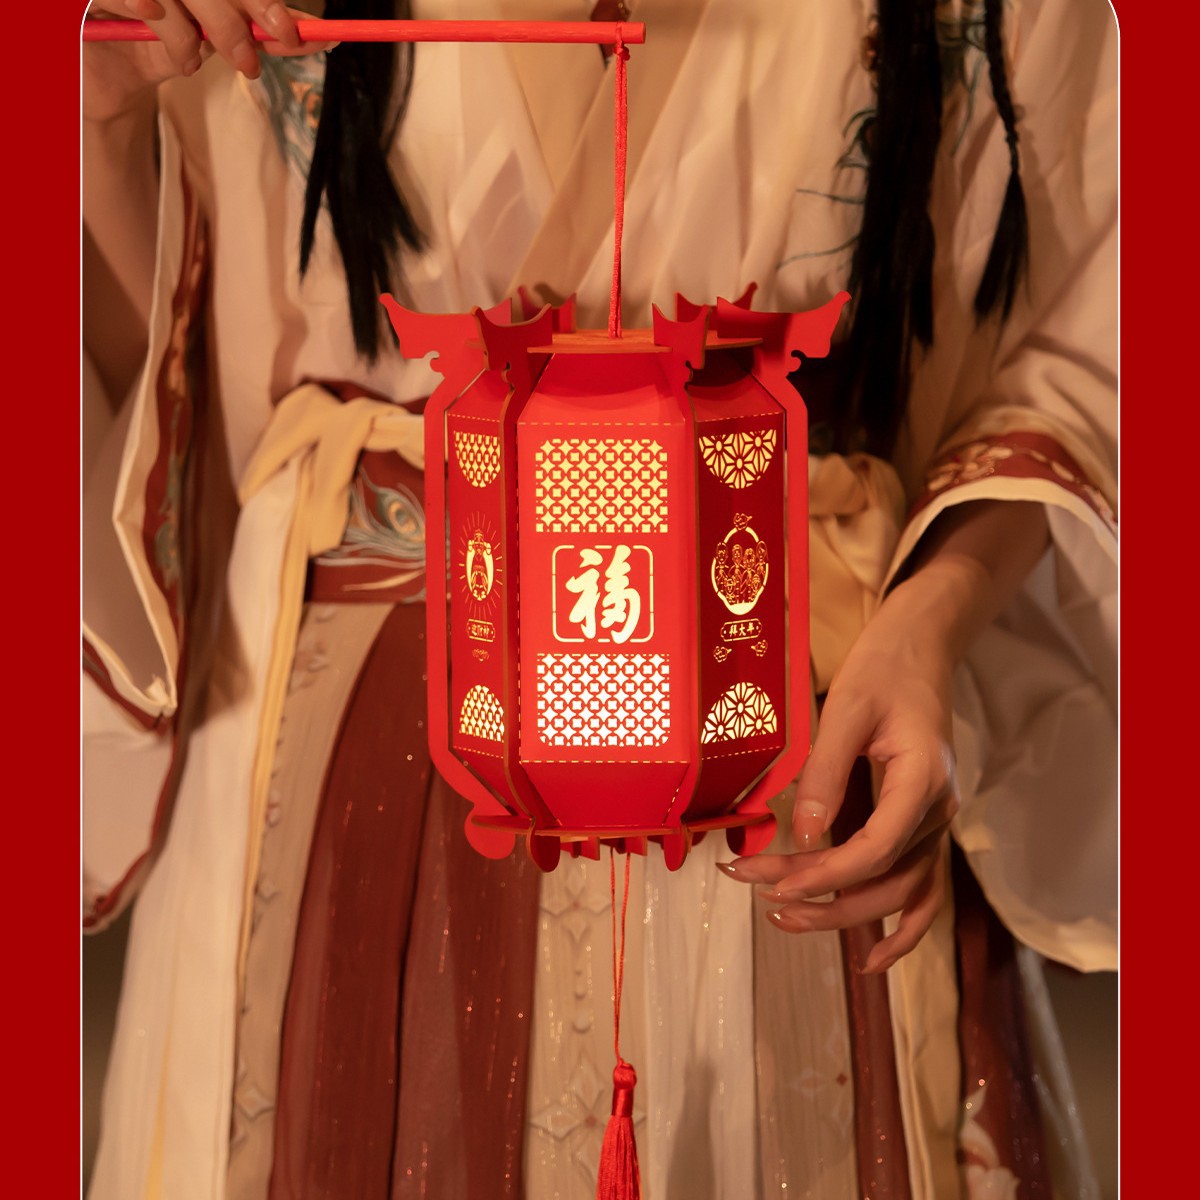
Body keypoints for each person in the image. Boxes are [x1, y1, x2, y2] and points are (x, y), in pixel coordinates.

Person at [82, 1, 1118, 1197]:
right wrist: (92, 116)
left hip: (787, 725)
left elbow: (1082, 336)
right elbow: (166, 352)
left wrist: (934, 618)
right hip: (358, 752)